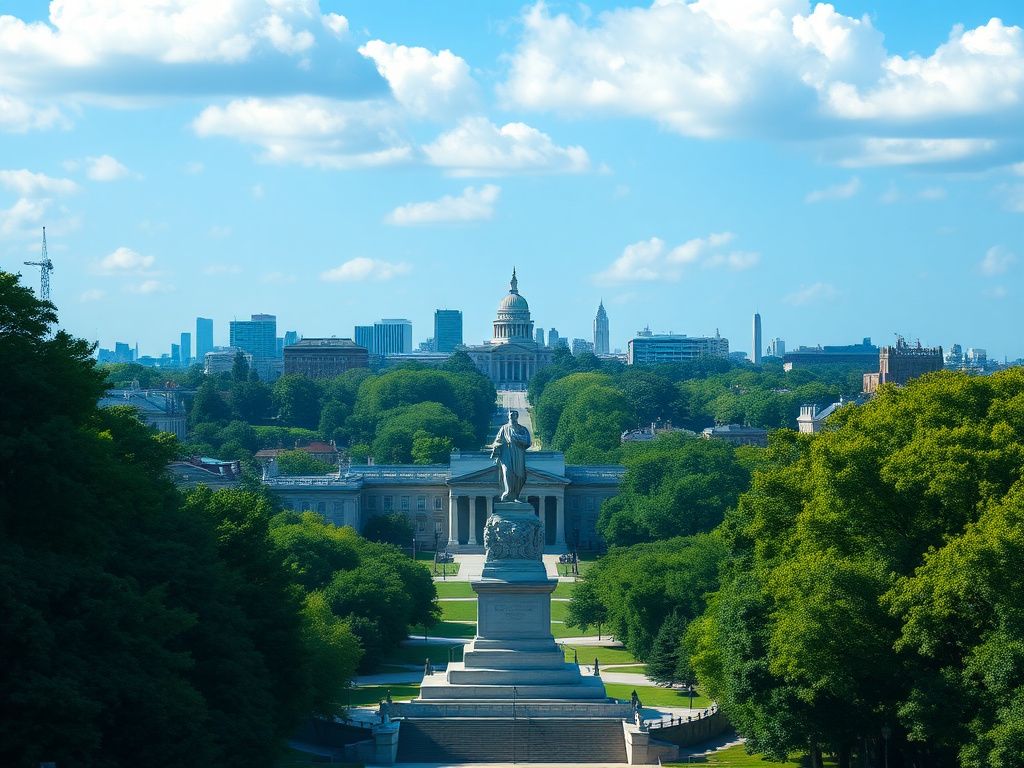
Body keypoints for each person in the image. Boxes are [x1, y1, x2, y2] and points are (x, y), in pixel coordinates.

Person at [488, 410, 531, 501]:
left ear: (517, 416)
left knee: (520, 476)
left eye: (513, 415)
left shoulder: (522, 429)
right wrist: (497, 446)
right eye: (510, 415)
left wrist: (516, 438)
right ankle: (508, 492)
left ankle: (516, 495)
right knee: (507, 472)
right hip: (506, 454)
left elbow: (528, 442)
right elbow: (496, 442)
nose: (511, 416)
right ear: (508, 416)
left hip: (518, 454)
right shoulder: (504, 429)